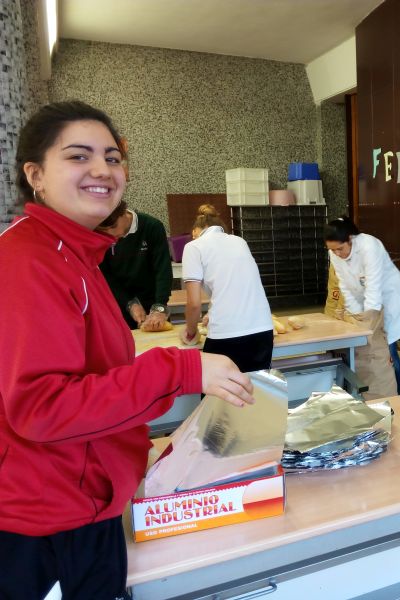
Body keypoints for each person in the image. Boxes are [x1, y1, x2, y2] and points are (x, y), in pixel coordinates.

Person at [0, 101, 254, 599]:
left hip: (85, 497)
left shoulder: (76, 254)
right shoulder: (29, 261)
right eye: (78, 156)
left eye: (112, 157)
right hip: (50, 519)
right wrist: (178, 369)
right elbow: (42, 406)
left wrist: (134, 452)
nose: (102, 170)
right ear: (36, 175)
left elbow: (93, 375)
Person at [180, 204, 274, 373]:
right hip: (262, 329)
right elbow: (235, 286)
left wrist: (191, 332)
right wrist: (212, 314)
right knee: (255, 387)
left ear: (196, 230)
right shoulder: (239, 241)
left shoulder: (193, 247)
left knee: (218, 388)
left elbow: (194, 304)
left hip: (226, 335)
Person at [325, 216, 400, 398]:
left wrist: (368, 322)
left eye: (340, 249)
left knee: (386, 351)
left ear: (350, 239)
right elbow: (345, 285)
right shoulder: (335, 252)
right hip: (363, 298)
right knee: (365, 350)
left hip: (386, 299)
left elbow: (374, 288)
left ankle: (398, 393)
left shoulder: (370, 246)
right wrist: (355, 317)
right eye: (332, 250)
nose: (337, 253)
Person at [97, 200, 174, 330]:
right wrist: (130, 304)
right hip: (120, 302)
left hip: (153, 301)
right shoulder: (100, 235)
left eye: (114, 226)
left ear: (123, 212)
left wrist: (160, 307)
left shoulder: (152, 227)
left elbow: (163, 270)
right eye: (104, 230)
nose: (111, 234)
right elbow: (107, 276)